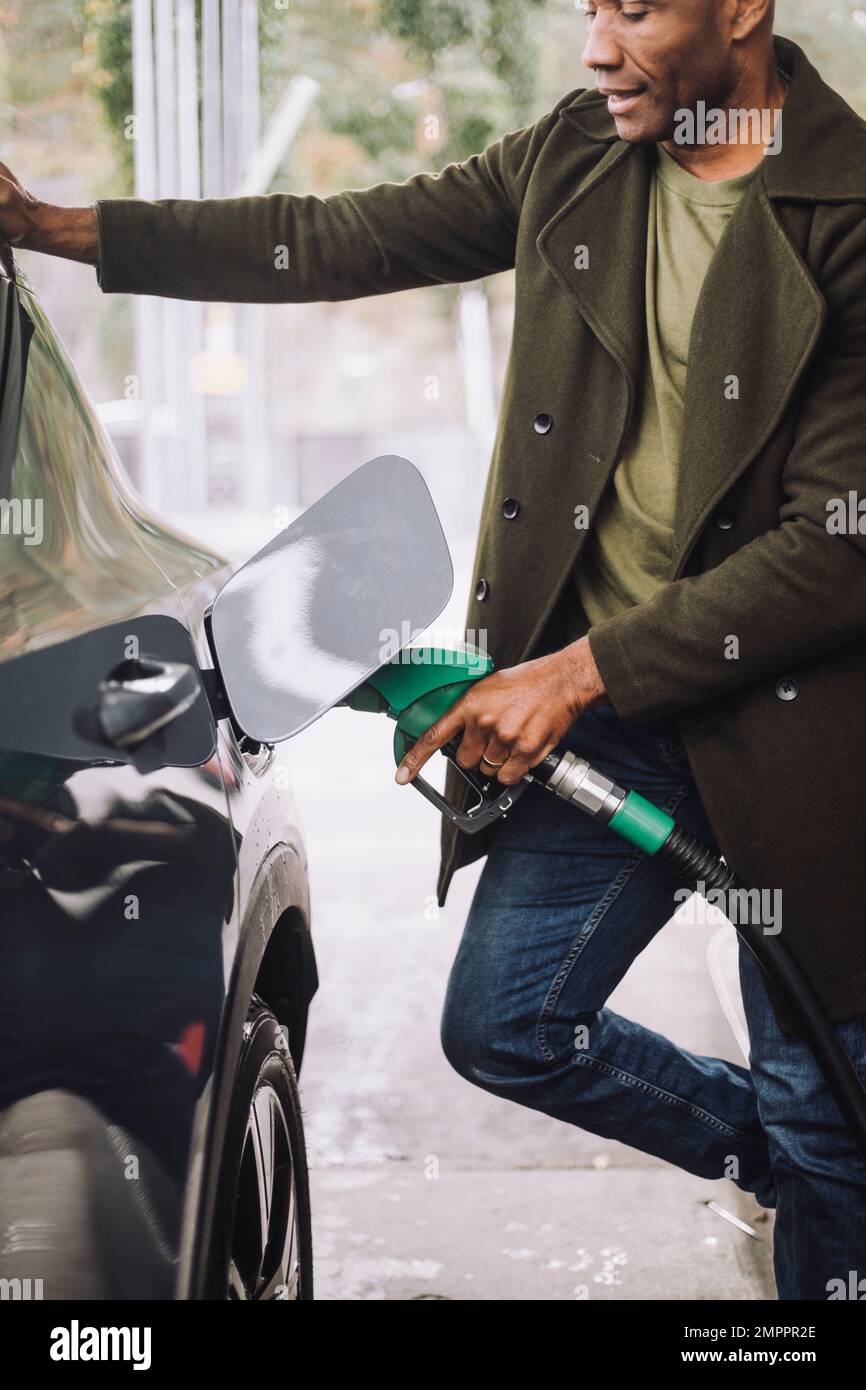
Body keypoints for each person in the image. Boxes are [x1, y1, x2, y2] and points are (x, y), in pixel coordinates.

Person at [3, 3, 865, 1300]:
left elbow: (837, 545)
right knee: (510, 1024)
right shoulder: (579, 153)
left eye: (632, 10)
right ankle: (793, 1167)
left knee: (820, 1098)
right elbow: (343, 238)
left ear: (739, 9)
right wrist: (52, 226)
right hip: (608, 712)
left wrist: (571, 675)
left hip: (789, 735)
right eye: (588, 7)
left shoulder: (848, 213)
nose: (592, 46)